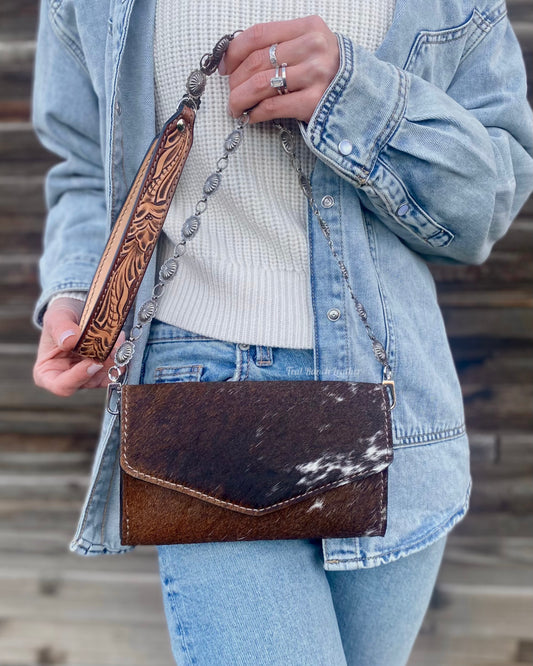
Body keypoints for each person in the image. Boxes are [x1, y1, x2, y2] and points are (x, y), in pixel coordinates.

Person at [31, 1, 533, 664]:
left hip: (391, 402)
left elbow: (487, 201)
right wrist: (77, 292)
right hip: (200, 399)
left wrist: (355, 95)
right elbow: (85, 166)